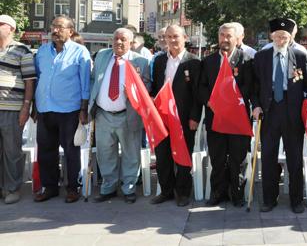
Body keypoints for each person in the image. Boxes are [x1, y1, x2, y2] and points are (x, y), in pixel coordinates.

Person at [251, 18, 307, 213]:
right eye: (278, 37)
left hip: (292, 111)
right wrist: (255, 105)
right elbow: (253, 86)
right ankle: (269, 199)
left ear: (290, 37)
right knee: (269, 157)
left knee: (295, 158)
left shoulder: (299, 54)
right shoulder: (261, 57)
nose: (281, 40)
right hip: (269, 111)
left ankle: (297, 200)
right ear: (272, 37)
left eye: (285, 37)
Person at [33, 16, 92, 203]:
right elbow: (37, 79)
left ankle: (73, 187)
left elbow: (85, 83)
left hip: (69, 110)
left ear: (71, 31)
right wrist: (35, 105)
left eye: (59, 27)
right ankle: (49, 187)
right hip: (45, 108)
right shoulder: (42, 52)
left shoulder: (80, 52)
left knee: (70, 150)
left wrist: (83, 109)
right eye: (53, 27)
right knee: (45, 150)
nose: (55, 30)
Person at [88, 28, 150, 204]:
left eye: (123, 39)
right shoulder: (102, 56)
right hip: (103, 114)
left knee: (131, 153)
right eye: (116, 39)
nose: (119, 42)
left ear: (131, 43)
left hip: (128, 115)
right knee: (105, 152)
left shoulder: (141, 62)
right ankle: (108, 187)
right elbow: (93, 79)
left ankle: (129, 187)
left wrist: (134, 91)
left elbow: (147, 87)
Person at [199, 23, 254, 207]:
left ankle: (237, 194)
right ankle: (218, 193)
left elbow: (250, 86)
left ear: (236, 38)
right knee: (218, 158)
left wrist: (232, 102)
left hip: (238, 119)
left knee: (238, 159)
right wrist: (211, 102)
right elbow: (202, 87)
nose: (224, 39)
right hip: (216, 119)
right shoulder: (208, 61)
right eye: (221, 35)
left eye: (228, 35)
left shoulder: (246, 60)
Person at [150, 25, 202, 207]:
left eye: (175, 36)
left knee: (183, 155)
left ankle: (183, 192)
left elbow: (198, 94)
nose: (171, 40)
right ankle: (166, 191)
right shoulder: (158, 62)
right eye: (168, 36)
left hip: (185, 118)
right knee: (162, 156)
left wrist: (195, 117)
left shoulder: (194, 62)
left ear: (185, 37)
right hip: (162, 118)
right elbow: (155, 88)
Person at [0, 15, 36, 204]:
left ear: (11, 29)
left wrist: (26, 107)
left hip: (12, 108)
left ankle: (12, 188)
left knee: (12, 150)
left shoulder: (22, 50)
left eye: (1, 24)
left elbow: (30, 80)